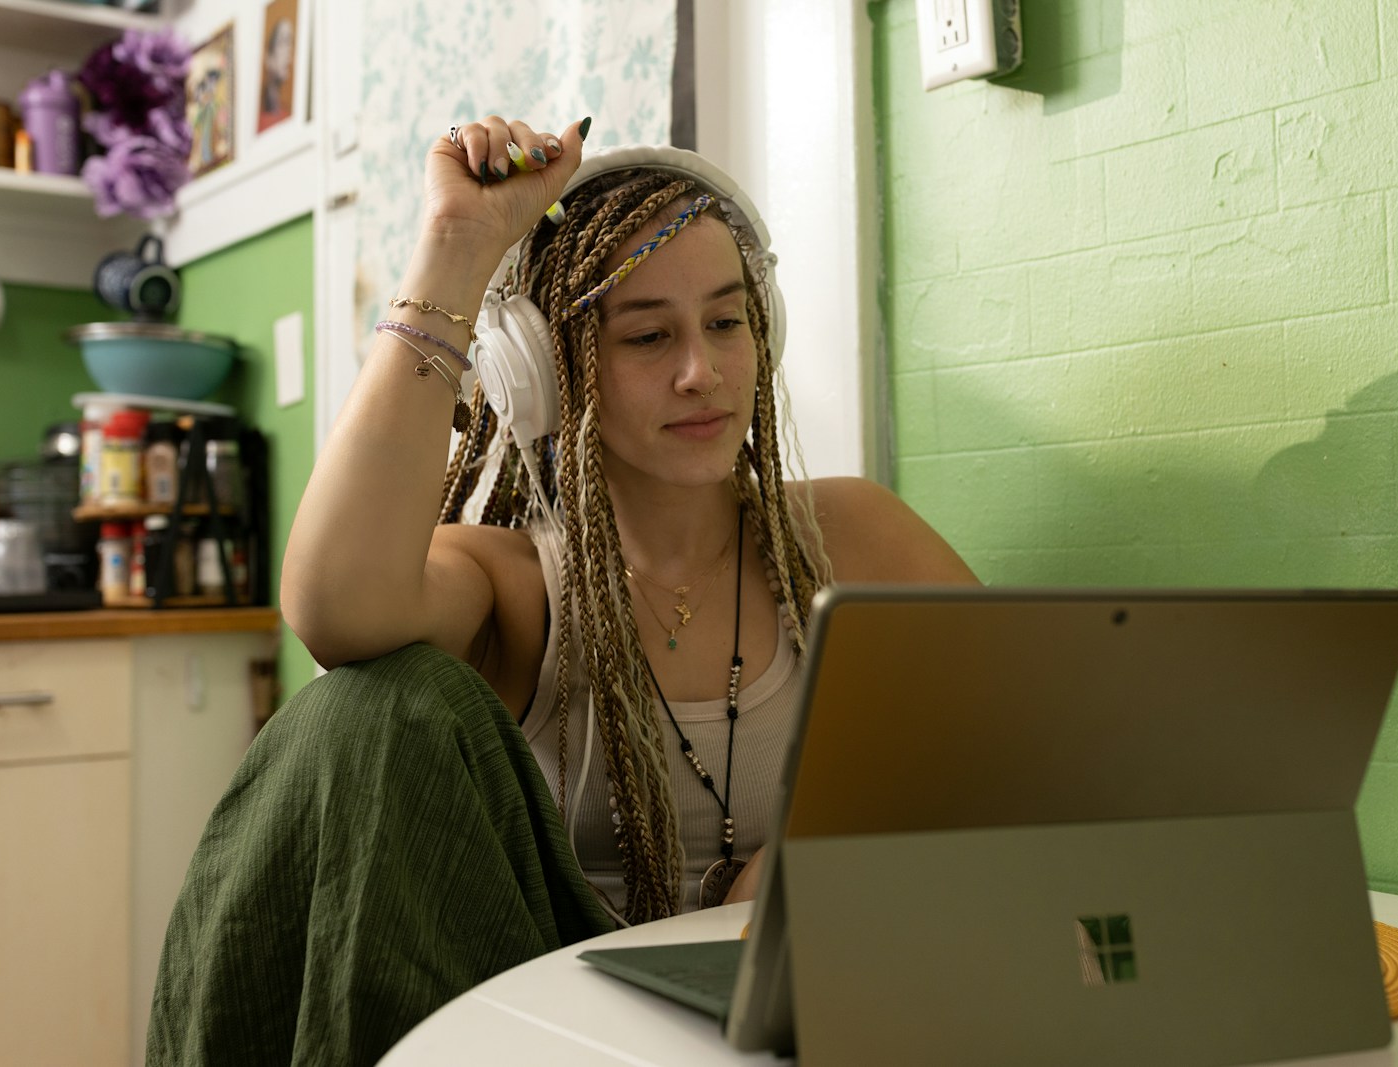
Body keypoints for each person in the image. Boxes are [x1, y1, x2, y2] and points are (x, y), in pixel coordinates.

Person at [146, 115, 977, 1064]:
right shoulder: (510, 581)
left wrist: (814, 855)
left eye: (726, 320)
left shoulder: (849, 538)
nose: (701, 370)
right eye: (647, 335)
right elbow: (333, 606)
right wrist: (457, 250)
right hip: (553, 1016)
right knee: (370, 707)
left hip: (804, 1002)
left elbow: (1032, 751)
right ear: (545, 373)